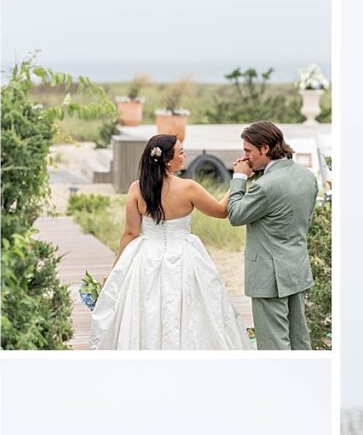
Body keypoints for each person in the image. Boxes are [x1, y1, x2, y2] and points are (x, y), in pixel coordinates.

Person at [88, 135, 252, 350]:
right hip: (185, 257)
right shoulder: (189, 188)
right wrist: (239, 178)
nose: (185, 156)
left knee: (145, 309)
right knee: (191, 309)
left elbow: (130, 232)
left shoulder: (137, 189)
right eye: (181, 152)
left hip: (145, 257)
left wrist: (116, 269)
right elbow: (222, 211)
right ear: (167, 160)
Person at [228, 121, 319, 350]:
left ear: (265, 148)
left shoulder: (265, 186)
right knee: (299, 340)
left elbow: (236, 215)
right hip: (296, 268)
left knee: (274, 346)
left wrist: (239, 178)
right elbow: (304, 221)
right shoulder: (306, 177)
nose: (246, 157)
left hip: (269, 277)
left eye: (248, 150)